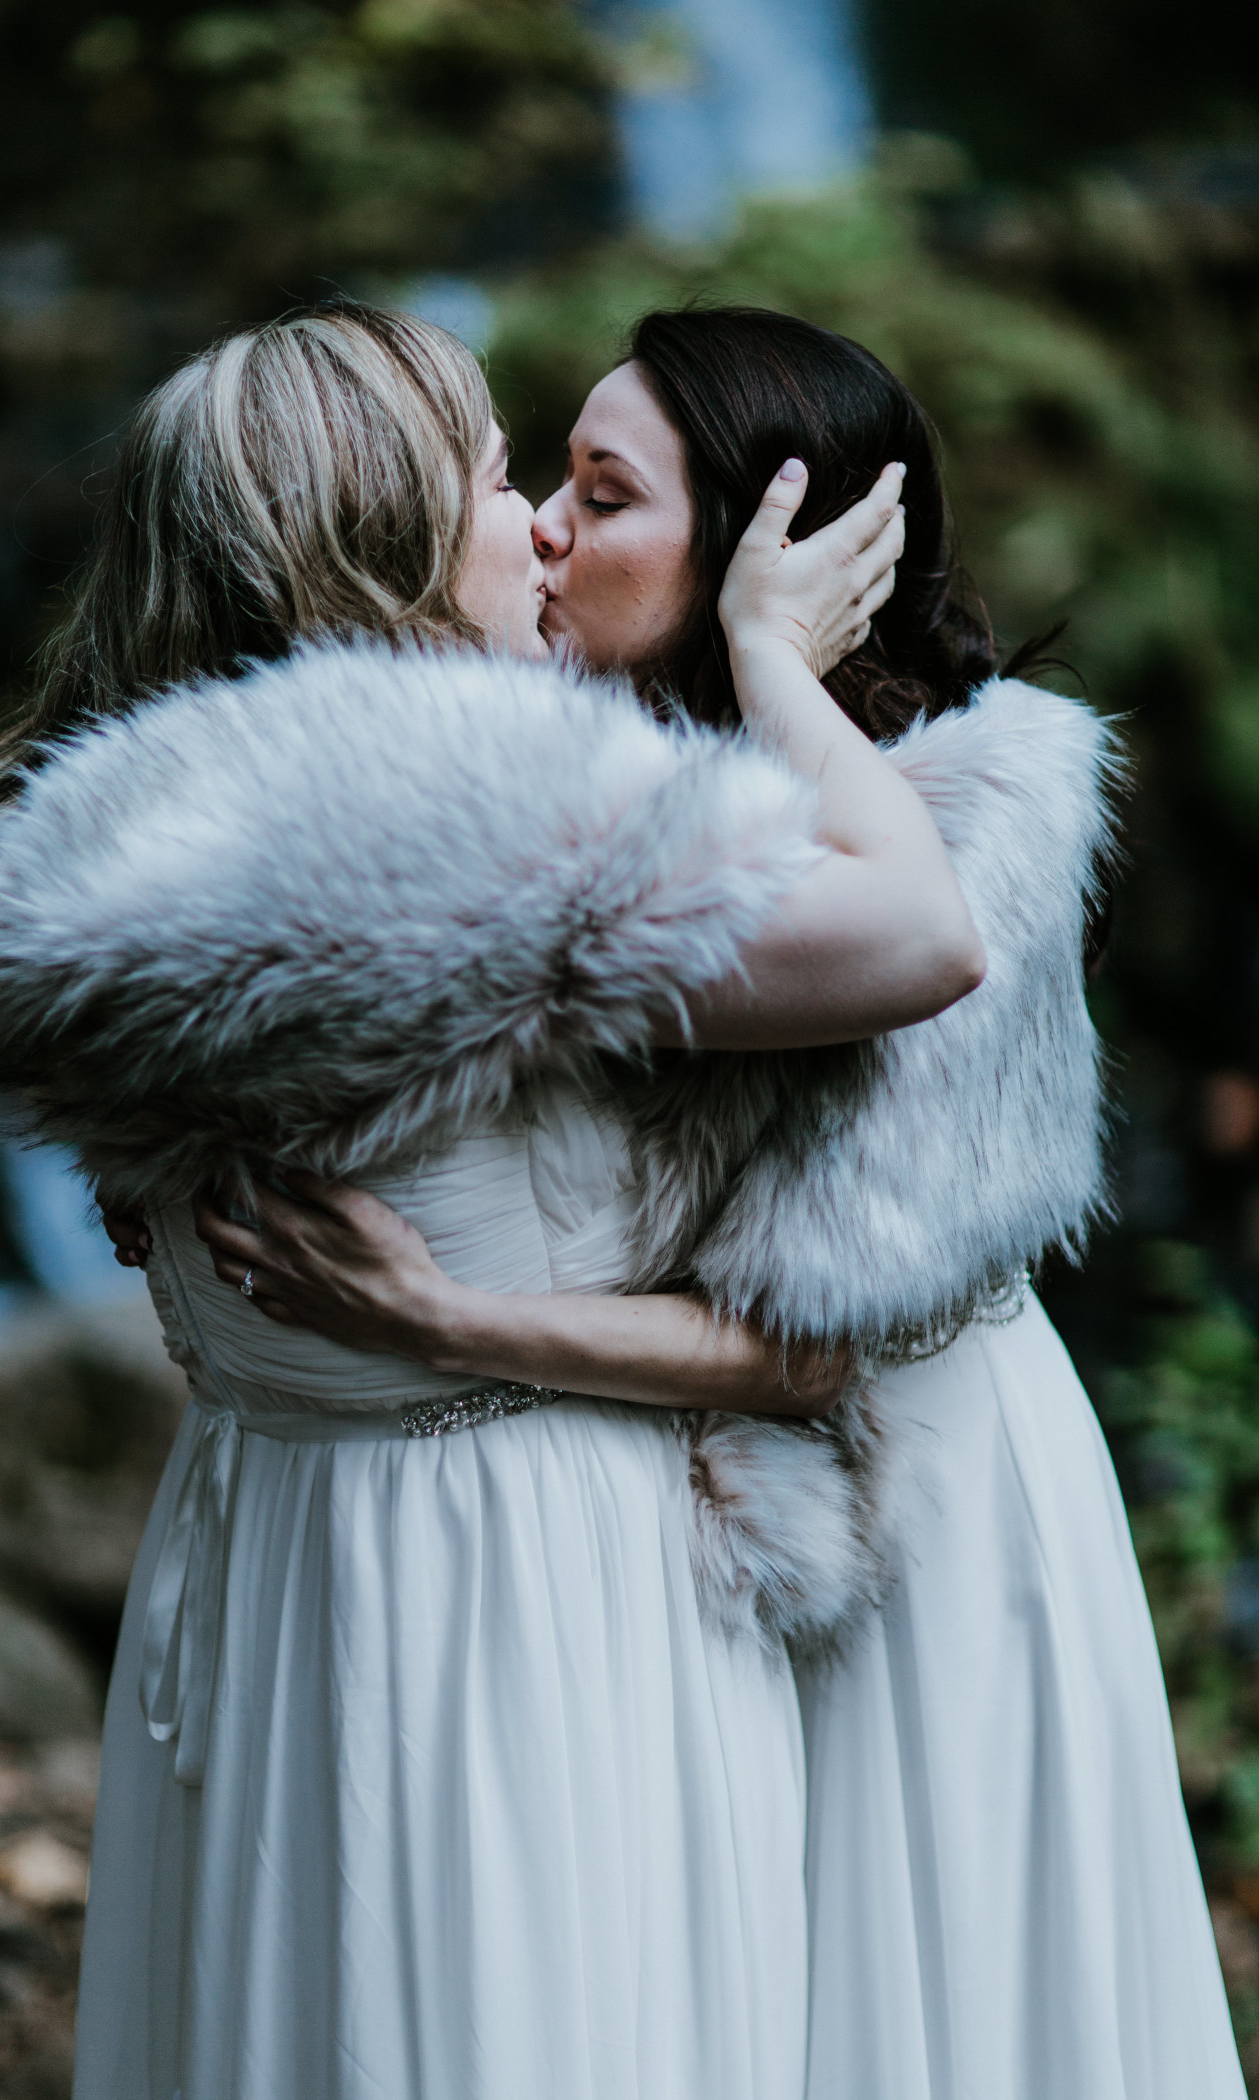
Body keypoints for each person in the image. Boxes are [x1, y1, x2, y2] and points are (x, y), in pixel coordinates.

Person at [178, 308, 1246, 2096]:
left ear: (769, 546)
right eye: (545, 476)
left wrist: (440, 1322)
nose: (541, 530)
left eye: (602, 496)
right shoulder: (571, 766)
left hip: (923, 1517)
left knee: (915, 2017)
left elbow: (810, 1358)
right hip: (667, 1536)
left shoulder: (963, 817)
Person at [0, 304, 984, 2100]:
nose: (536, 523)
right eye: (496, 477)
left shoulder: (105, 847)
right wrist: (775, 659)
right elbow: (922, 931)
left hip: (270, 1543)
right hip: (518, 1585)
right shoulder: (503, 831)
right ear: (391, 540)